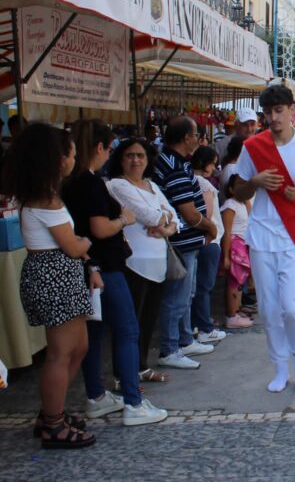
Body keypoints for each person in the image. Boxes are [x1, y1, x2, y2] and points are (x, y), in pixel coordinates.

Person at [64, 119, 167, 426]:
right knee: (127, 331)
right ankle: (134, 403)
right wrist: (123, 219)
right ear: (100, 148)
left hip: (88, 265)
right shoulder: (92, 182)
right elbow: (99, 227)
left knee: (94, 334)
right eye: (110, 148)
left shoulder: (72, 181)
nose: (109, 154)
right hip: (105, 266)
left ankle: (96, 395)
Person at [2, 124, 96, 448]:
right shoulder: (46, 201)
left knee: (76, 348)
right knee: (61, 353)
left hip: (59, 274)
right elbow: (72, 246)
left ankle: (52, 412)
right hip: (55, 275)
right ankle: (53, 423)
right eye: (71, 153)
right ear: (59, 159)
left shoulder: (45, 197)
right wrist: (84, 242)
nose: (74, 159)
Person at [234, 84, 295, 392]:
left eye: (279, 111)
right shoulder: (253, 146)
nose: (274, 118)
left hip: (294, 233)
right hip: (262, 234)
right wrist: (255, 181)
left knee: (292, 307)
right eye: (268, 112)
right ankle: (279, 368)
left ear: (292, 111)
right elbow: (237, 192)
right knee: (268, 309)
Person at [107, 139, 178, 384]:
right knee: (129, 323)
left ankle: (141, 367)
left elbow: (173, 216)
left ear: (148, 160)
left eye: (140, 155)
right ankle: (122, 374)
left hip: (157, 263)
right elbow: (147, 215)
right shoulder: (117, 185)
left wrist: (167, 227)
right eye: (129, 155)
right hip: (134, 264)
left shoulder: (152, 185)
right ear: (120, 159)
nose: (135, 160)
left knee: (148, 320)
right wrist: (164, 218)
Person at [153, 116, 219, 370]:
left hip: (186, 240)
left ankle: (183, 339)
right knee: (177, 297)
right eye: (196, 135)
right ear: (186, 138)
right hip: (182, 239)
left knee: (185, 294)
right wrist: (210, 226)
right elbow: (189, 213)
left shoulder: (175, 162)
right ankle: (170, 348)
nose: (200, 140)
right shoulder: (175, 167)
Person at [191, 146, 228, 344]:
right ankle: (204, 327)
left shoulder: (193, 180)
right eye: (213, 163)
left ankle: (198, 325)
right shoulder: (203, 183)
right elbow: (206, 214)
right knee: (204, 285)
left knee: (199, 286)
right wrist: (211, 232)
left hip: (205, 239)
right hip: (209, 239)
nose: (215, 168)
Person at [220, 175, 254, 329]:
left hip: (242, 244)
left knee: (239, 281)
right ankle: (231, 315)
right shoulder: (230, 205)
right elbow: (227, 232)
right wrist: (226, 255)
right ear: (231, 190)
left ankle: (236, 310)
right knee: (234, 282)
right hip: (234, 245)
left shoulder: (241, 204)